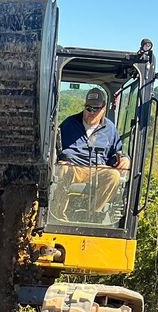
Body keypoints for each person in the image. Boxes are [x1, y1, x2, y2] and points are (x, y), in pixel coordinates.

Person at [51, 87, 131, 220]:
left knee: (114, 176)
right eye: (88, 108)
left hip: (97, 170)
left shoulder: (110, 130)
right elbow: (54, 147)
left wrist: (124, 159)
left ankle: (92, 215)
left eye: (96, 109)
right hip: (73, 168)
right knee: (63, 169)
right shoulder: (69, 124)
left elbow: (116, 154)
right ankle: (59, 216)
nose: (91, 112)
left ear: (104, 108)